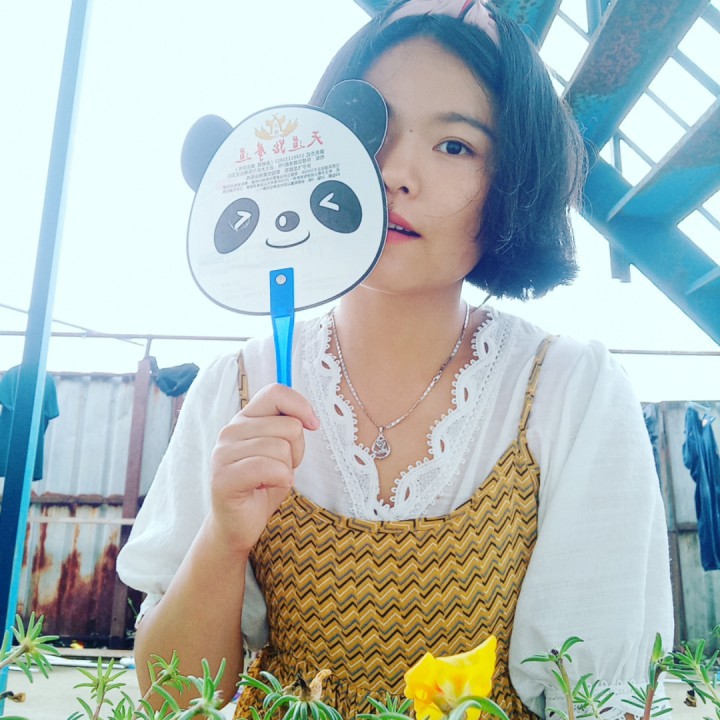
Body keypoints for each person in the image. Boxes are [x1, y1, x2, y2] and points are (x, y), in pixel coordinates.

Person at [116, 1, 674, 718]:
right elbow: (174, 698)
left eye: (456, 146)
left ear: (511, 183)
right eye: (369, 129)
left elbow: (597, 698)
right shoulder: (238, 390)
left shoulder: (568, 393)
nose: (395, 172)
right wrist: (224, 539)